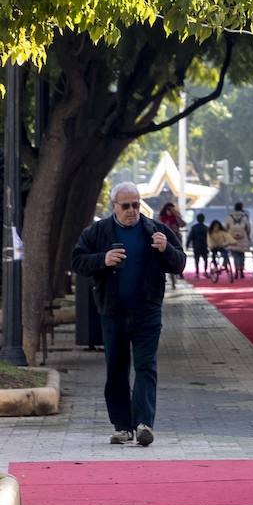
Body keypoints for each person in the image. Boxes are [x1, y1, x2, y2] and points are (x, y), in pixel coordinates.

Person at [72, 182, 187, 447]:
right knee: (116, 369)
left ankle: (144, 424)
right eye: (126, 206)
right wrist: (103, 259)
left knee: (146, 367)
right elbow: (77, 260)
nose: (132, 210)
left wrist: (165, 249)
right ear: (114, 206)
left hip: (148, 311)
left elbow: (180, 263)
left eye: (136, 205)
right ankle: (122, 427)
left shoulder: (156, 230)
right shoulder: (98, 232)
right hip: (113, 312)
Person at [157, 202, 185, 288]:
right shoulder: (162, 218)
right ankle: (168, 276)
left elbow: (183, 224)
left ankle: (179, 272)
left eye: (171, 209)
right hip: (165, 240)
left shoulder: (176, 217)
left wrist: (177, 215)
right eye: (168, 209)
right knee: (166, 258)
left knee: (177, 256)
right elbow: (157, 227)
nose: (169, 211)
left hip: (176, 239)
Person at [225, 202, 252, 279]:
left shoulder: (229, 217)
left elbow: (225, 227)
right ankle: (241, 271)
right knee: (242, 255)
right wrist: (248, 236)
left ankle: (236, 271)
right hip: (243, 238)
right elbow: (248, 228)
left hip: (232, 238)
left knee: (235, 255)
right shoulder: (245, 217)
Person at [187, 213, 210, 278]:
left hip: (196, 246)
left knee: (197, 260)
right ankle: (205, 271)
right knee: (205, 259)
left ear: (197, 219)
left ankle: (197, 273)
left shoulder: (194, 228)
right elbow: (209, 238)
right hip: (204, 246)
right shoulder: (206, 228)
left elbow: (190, 237)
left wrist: (187, 245)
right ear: (204, 219)